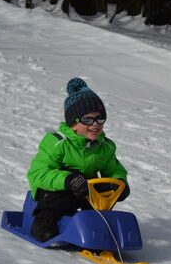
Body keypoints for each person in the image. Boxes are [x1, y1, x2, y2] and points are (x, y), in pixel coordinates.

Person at [27, 77, 130, 241]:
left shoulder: (104, 146)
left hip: (85, 190)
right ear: (73, 123)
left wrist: (119, 182)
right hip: (55, 192)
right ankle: (43, 223)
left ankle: (99, 229)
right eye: (88, 119)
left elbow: (114, 169)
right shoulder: (57, 142)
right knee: (61, 196)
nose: (95, 124)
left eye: (100, 119)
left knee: (102, 192)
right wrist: (68, 179)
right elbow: (38, 173)